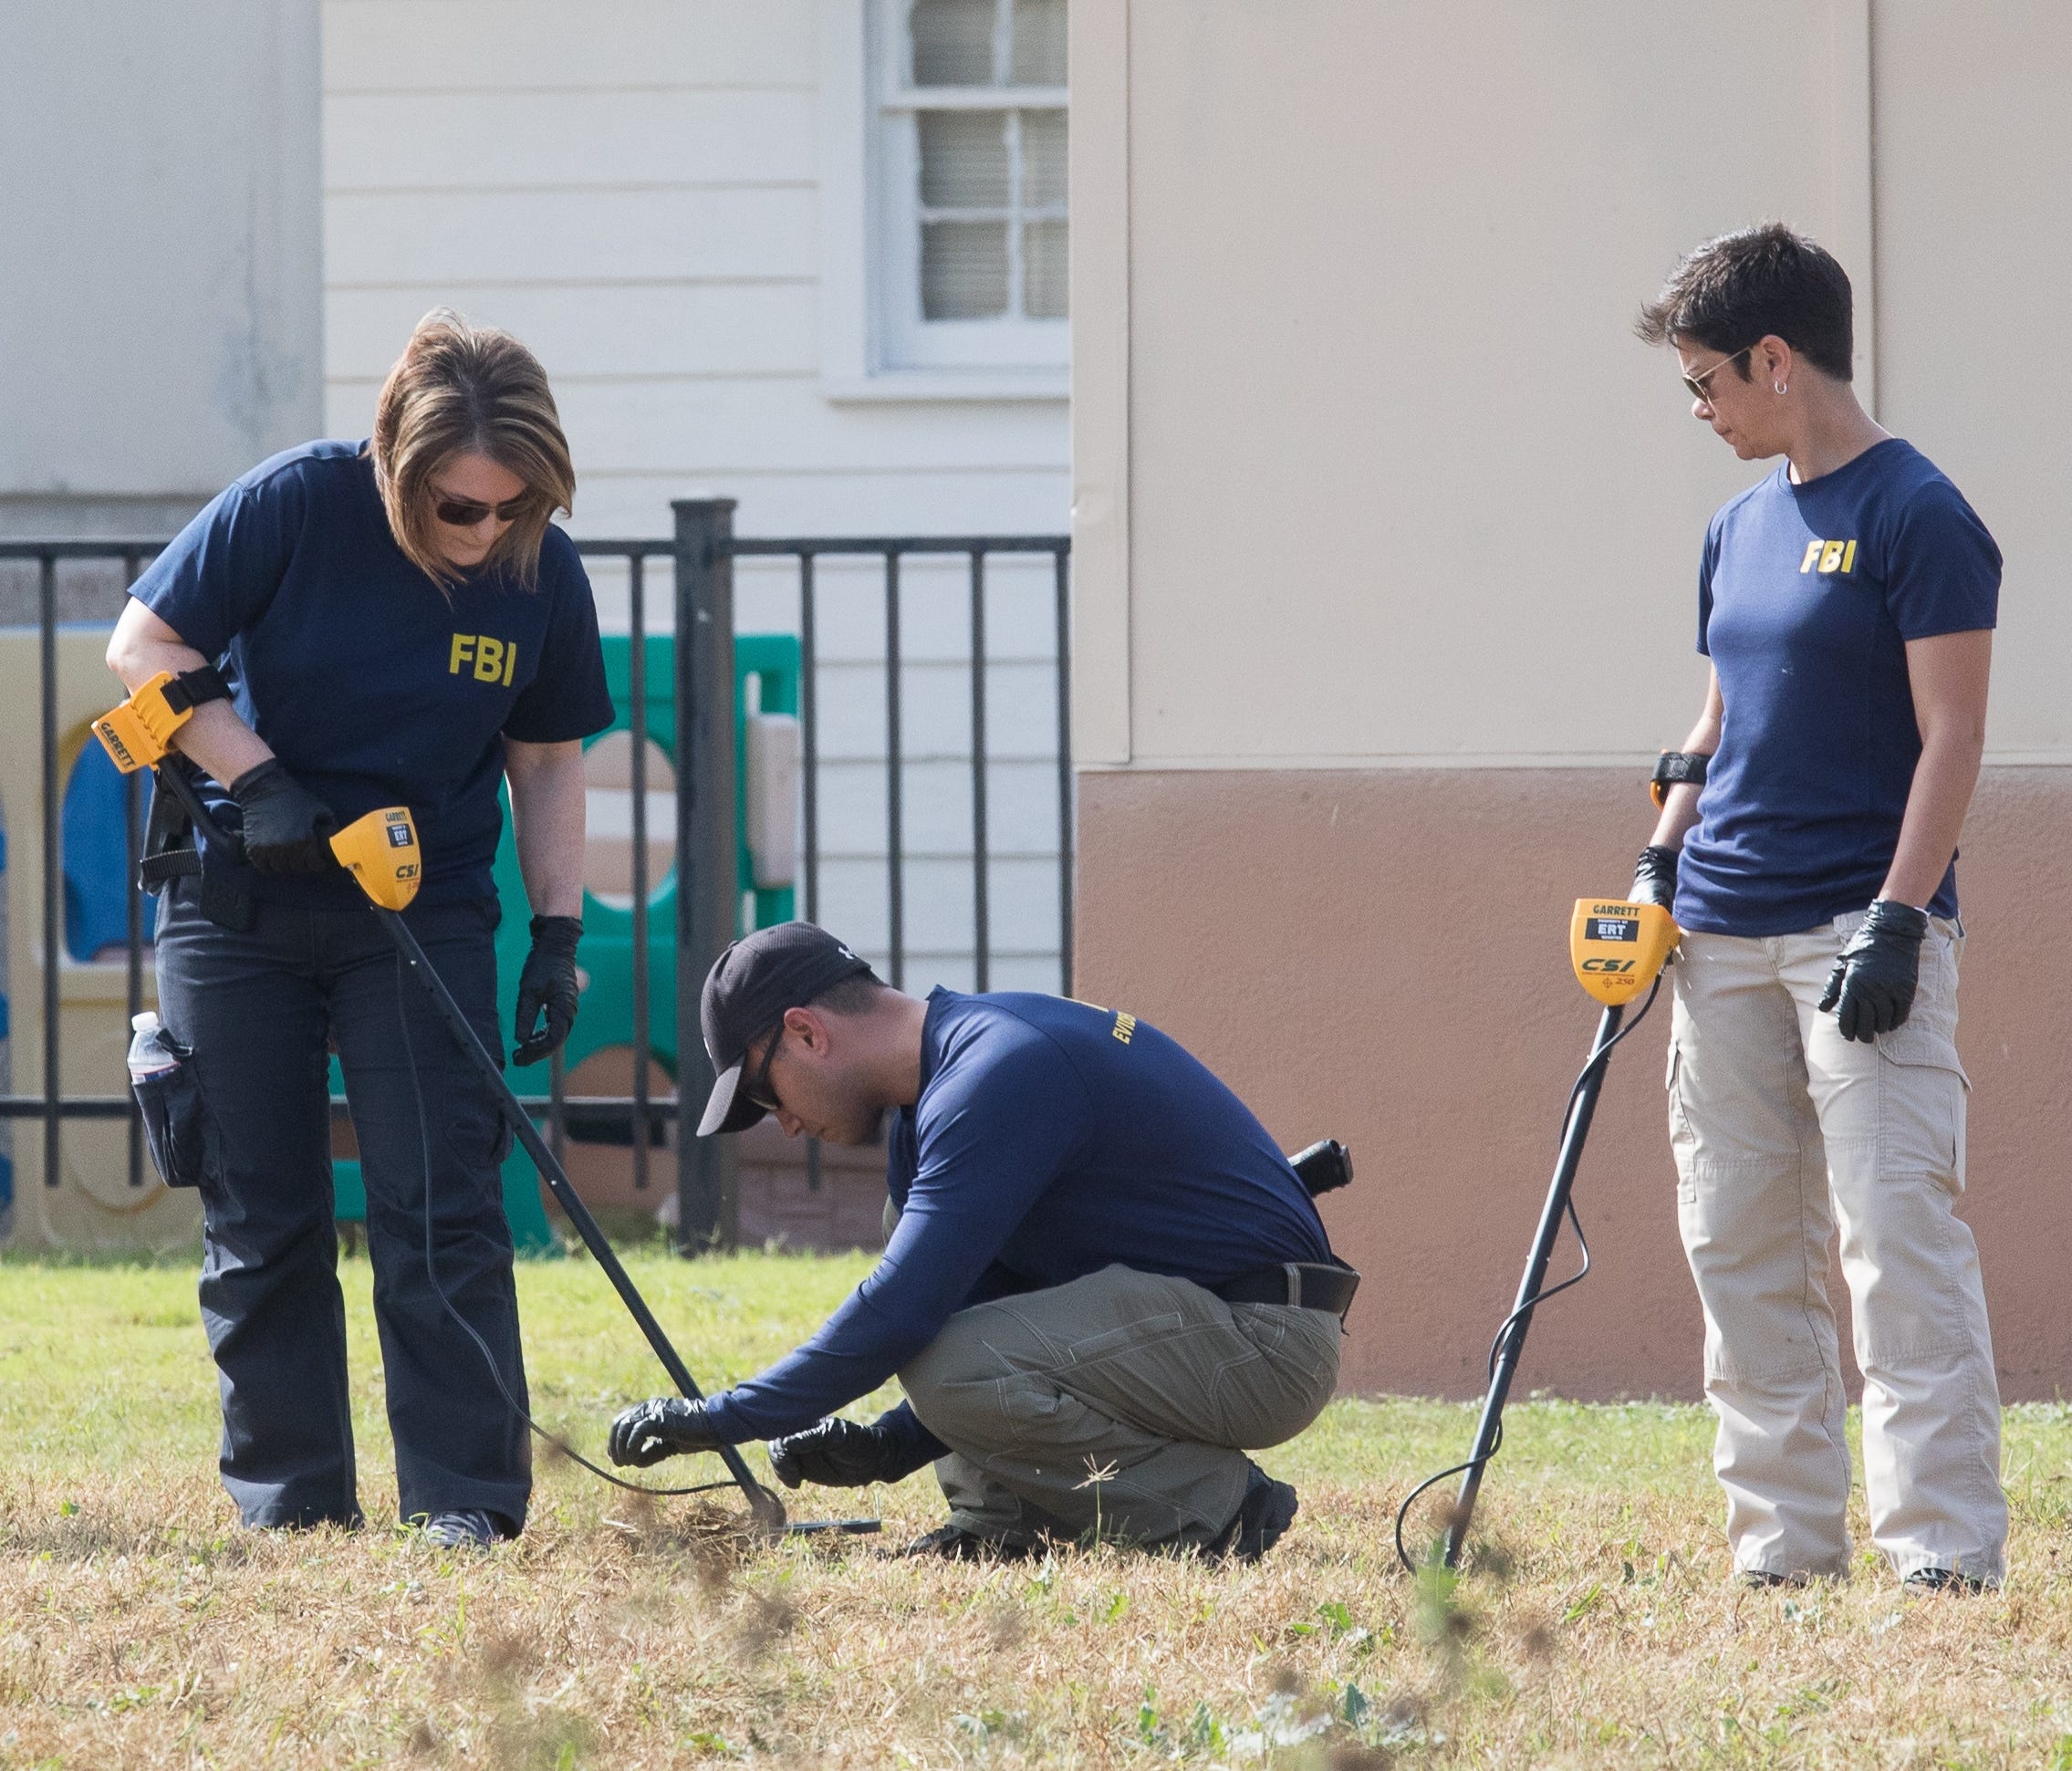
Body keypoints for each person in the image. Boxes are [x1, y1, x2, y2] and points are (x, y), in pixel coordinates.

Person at [105, 311, 614, 1547]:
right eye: (458, 508)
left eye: (510, 509)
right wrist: (259, 777)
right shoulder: (293, 503)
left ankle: (465, 1502)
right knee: (261, 1208)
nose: (485, 532)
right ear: (394, 459)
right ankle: (293, 1504)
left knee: (442, 1205)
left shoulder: (539, 564)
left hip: (419, 907)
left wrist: (557, 931)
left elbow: (543, 761)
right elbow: (145, 644)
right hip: (242, 903)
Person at [1631, 224, 2005, 1590]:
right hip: (1718, 937)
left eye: (1703, 382)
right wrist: (1652, 866)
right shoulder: (1736, 525)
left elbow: (1952, 738)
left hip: (1859, 937)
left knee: (1892, 1240)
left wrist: (1898, 920)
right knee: (1734, 1244)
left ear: (1772, 358)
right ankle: (1781, 1554)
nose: (1697, 410)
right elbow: (1716, 717)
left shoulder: (1918, 514)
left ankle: (1940, 1558)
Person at [606, 922, 1356, 1561]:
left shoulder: (998, 1072)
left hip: (1265, 1341)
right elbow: (980, 1305)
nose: (786, 1125)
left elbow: (902, 1312)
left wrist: (720, 1416)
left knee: (938, 1342)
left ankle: (1214, 1509)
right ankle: (1005, 1523)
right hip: (1195, 1324)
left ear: (807, 1030)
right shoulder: (943, 1091)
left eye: (766, 1095)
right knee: (925, 1277)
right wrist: (891, 1445)